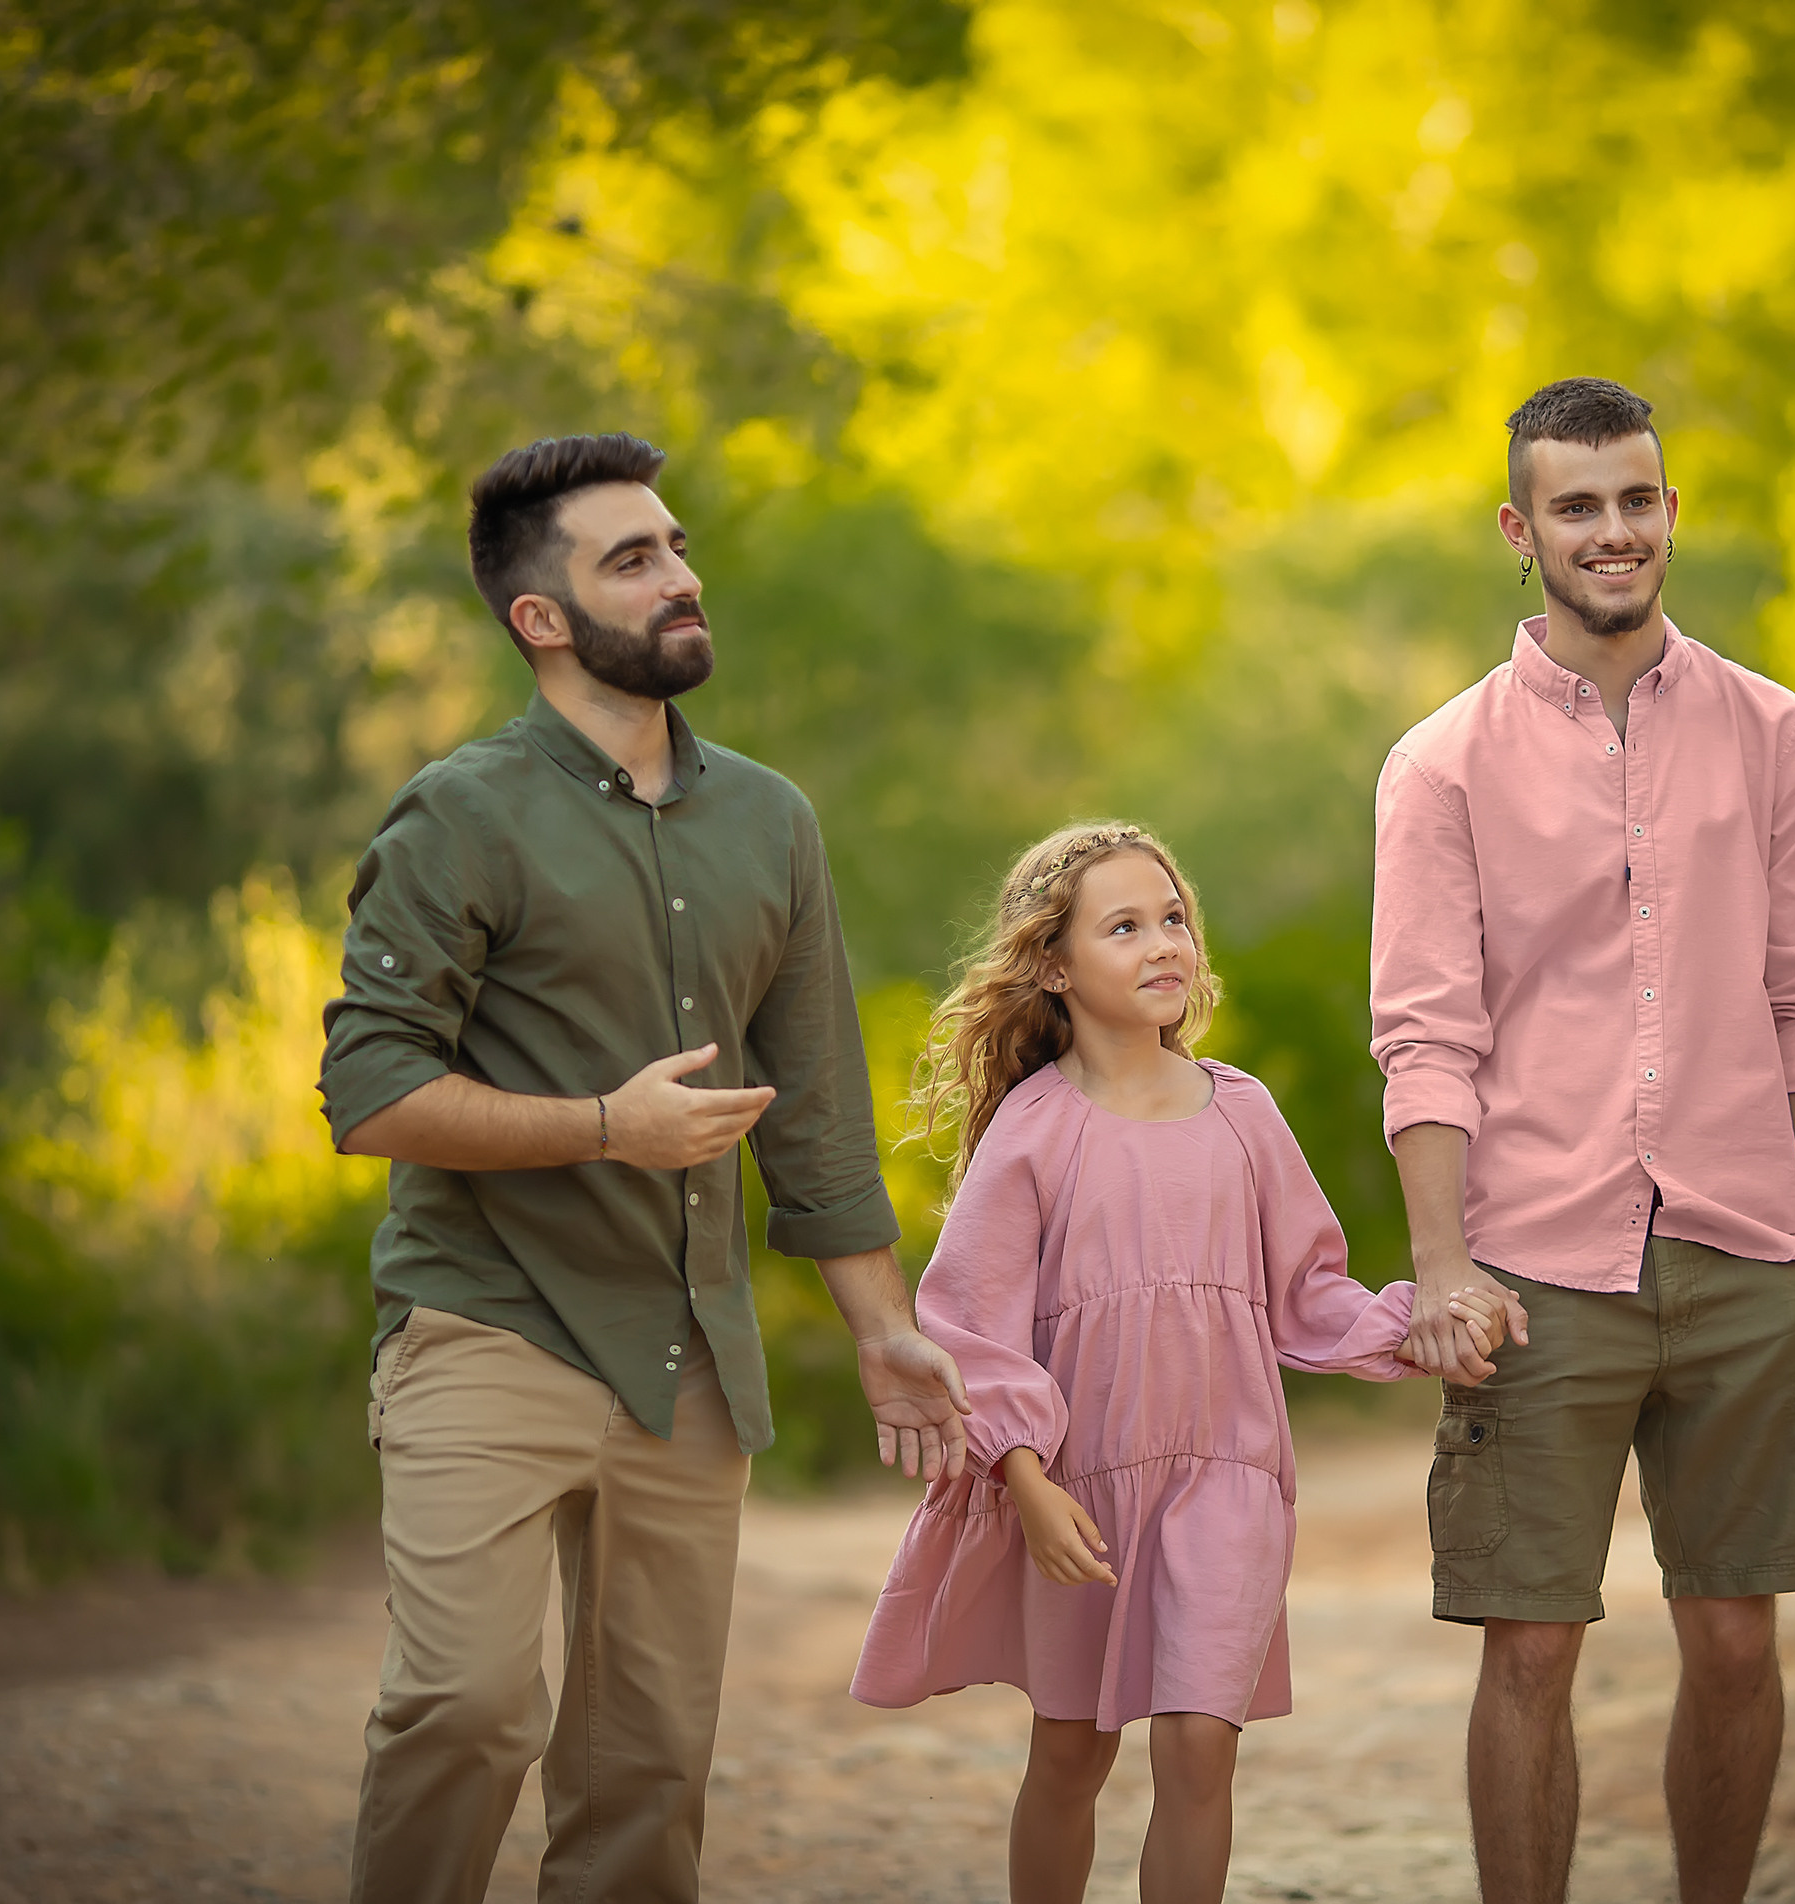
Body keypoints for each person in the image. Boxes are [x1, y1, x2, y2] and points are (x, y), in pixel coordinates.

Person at [318, 432, 972, 1904]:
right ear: (538, 620)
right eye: (632, 560)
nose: (680, 577)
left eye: (674, 547)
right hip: (488, 1322)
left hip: (688, 1357)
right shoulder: (461, 812)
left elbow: (813, 1114)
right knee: (464, 1709)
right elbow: (368, 1090)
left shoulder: (768, 819)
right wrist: (601, 1127)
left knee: (646, 1771)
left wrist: (882, 1331)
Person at [1371, 377, 1795, 1904]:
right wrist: (1440, 1265)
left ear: (1667, 511)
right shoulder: (1439, 763)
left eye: (1635, 499)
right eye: (1575, 506)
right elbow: (1425, 1032)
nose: (1612, 531)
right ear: (1520, 531)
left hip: (1739, 1251)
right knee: (1530, 1645)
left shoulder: (1775, 732)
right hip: (1533, 1267)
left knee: (1732, 1634)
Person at [850, 822, 1516, 1904]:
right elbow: (972, 1326)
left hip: (1229, 1476)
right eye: (1125, 926)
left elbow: (1308, 1290)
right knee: (1070, 1753)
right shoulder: (1033, 1127)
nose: (1163, 943)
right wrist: (1025, 1483)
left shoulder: (1242, 1109)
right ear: (1055, 966)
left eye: (1173, 919)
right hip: (1082, 1490)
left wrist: (1420, 1324)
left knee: (1202, 1744)